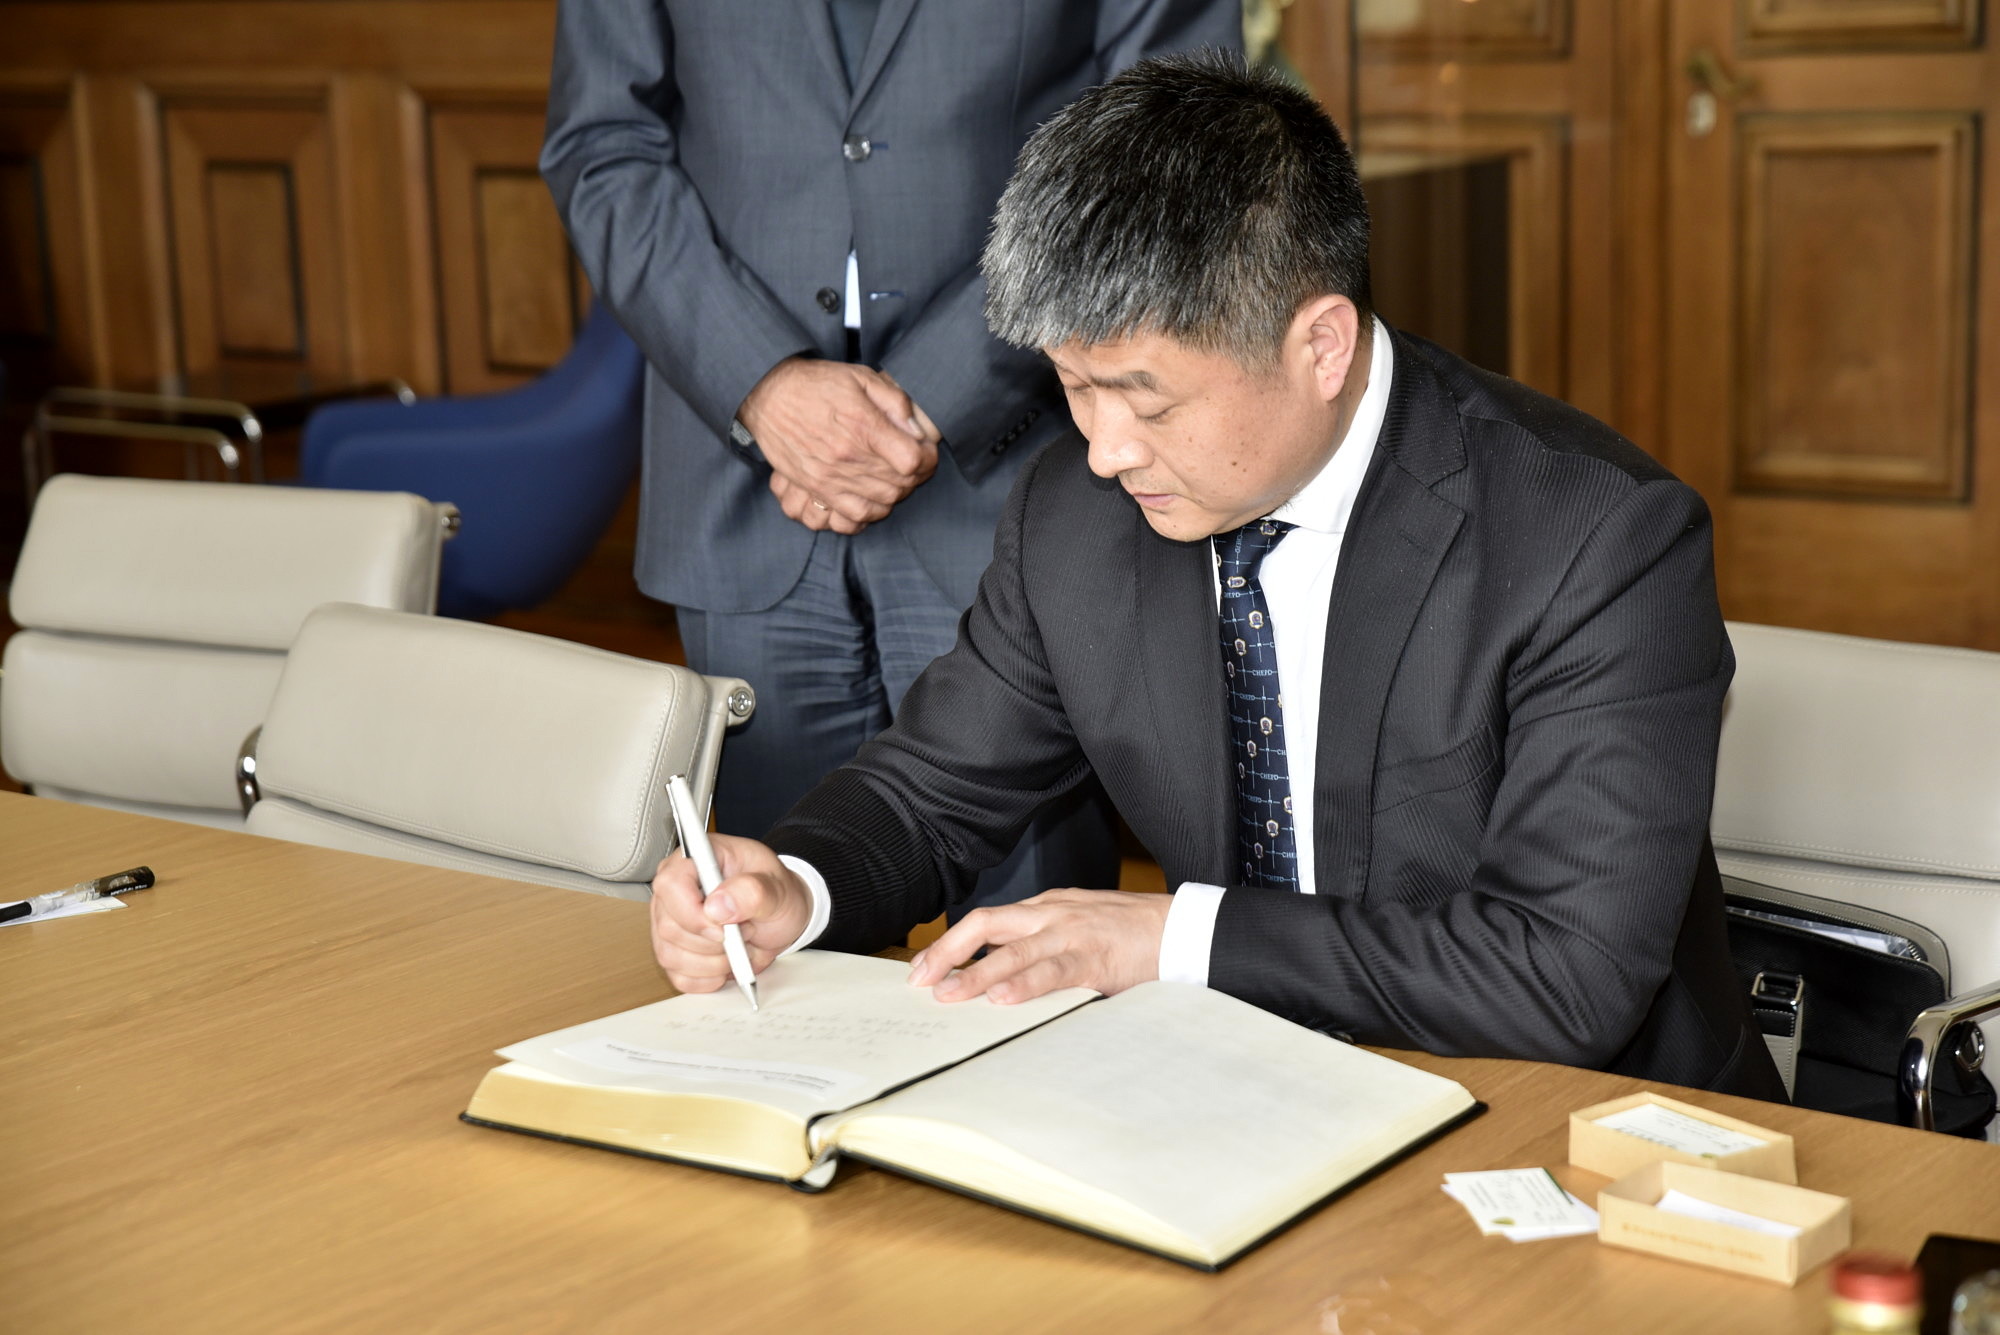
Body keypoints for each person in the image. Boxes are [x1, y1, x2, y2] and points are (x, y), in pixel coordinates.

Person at [648, 54, 1786, 1098]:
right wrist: (795, 887)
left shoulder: (1595, 540)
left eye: (1144, 400)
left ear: (1320, 346)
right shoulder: (1074, 516)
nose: (1104, 451)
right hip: (1231, 1101)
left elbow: (1562, 973)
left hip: (1570, 1126)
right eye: (1073, 389)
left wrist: (1169, 941)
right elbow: (927, 794)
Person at [541, 1, 1242, 911]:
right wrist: (760, 382)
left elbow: (1170, 137)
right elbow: (601, 145)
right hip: (741, 482)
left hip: (1012, 470)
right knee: (775, 918)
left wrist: (932, 395)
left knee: (1030, 948)